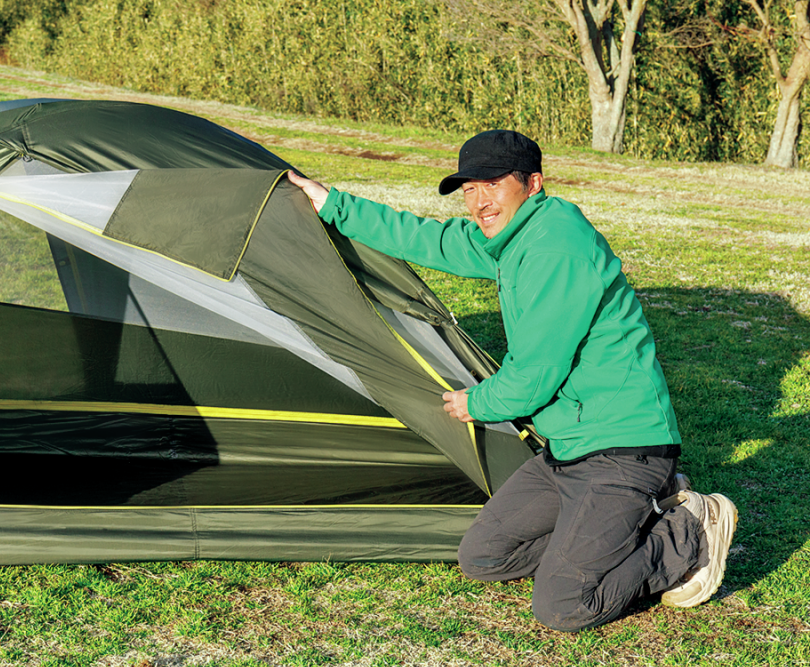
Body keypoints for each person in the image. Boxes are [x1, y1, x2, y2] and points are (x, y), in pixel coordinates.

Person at [287, 129, 737, 632]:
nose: (479, 201)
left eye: (493, 185)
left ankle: (686, 533)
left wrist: (476, 403)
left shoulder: (556, 249)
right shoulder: (515, 237)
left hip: (622, 451)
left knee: (564, 605)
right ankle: (627, 523)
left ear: (532, 184)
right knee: (483, 557)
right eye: (470, 189)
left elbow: (534, 376)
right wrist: (334, 204)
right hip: (567, 450)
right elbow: (431, 239)